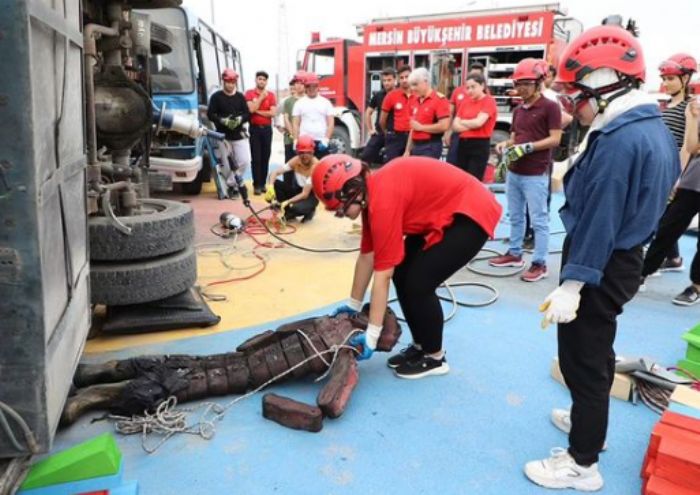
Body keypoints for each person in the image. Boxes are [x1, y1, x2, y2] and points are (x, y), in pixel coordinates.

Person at [524, 25, 679, 491]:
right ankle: (587, 423)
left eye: (576, 94)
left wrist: (573, 283)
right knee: (594, 352)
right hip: (622, 258)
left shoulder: (618, 142)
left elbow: (601, 218)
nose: (574, 105)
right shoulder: (649, 128)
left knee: (584, 358)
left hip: (601, 261)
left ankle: (582, 463)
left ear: (604, 84)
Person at [312, 154, 502, 378]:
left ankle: (435, 357)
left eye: (340, 210)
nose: (341, 216)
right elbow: (367, 257)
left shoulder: (382, 202)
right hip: (444, 211)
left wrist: (372, 334)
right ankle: (421, 345)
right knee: (402, 275)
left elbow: (381, 275)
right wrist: (353, 305)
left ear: (351, 191)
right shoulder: (372, 193)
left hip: (470, 214)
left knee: (419, 283)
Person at [488, 58, 562, 282]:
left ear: (539, 81)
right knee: (516, 216)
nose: (521, 88)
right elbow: (514, 137)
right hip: (515, 172)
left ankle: (539, 263)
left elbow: (556, 138)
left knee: (539, 220)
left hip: (536, 173)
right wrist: (505, 145)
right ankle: (515, 253)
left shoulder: (550, 107)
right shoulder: (518, 110)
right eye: (518, 83)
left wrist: (529, 147)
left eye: (526, 83)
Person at [641, 95, 700, 305]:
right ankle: (642, 273)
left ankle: (696, 286)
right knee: (667, 227)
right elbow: (692, 147)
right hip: (693, 180)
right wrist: (693, 118)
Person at [645, 53, 698, 273]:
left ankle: (649, 264)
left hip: (674, 168)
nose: (666, 83)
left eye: (671, 79)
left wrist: (678, 176)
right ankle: (673, 258)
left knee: (663, 215)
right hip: (659, 165)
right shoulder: (665, 104)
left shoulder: (689, 107)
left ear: (685, 79)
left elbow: (687, 146)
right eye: (664, 79)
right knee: (664, 216)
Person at [206, 68, 251, 196]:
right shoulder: (216, 97)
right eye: (228, 82)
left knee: (244, 160)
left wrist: (240, 119)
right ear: (223, 82)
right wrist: (222, 120)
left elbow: (248, 114)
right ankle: (232, 187)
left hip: (238, 135)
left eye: (232, 82)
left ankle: (231, 183)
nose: (230, 85)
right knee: (226, 164)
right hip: (222, 135)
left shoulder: (240, 97)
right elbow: (210, 114)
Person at [451, 73, 498, 180]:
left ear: (482, 86)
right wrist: (471, 123)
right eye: (467, 88)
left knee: (474, 179)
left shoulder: (489, 101)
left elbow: (479, 123)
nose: (470, 91)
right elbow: (455, 126)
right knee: (461, 178)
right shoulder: (465, 102)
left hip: (479, 144)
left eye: (473, 87)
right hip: (463, 143)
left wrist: (462, 121)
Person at [265, 135, 319, 222]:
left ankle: (310, 211)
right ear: (297, 152)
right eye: (301, 153)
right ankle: (288, 212)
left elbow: (305, 194)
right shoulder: (296, 160)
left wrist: (287, 202)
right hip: (297, 191)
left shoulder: (316, 166)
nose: (304, 156)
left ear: (312, 152)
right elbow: (275, 173)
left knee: (296, 208)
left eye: (307, 152)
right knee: (274, 182)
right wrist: (270, 187)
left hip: (309, 196)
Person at [404, 67, 450, 159]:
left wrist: (421, 127)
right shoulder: (414, 100)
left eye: (415, 85)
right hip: (416, 146)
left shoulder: (439, 100)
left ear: (425, 82)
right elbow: (413, 128)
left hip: (430, 146)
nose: (413, 88)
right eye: (411, 85)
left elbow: (444, 126)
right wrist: (407, 150)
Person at [246, 70, 277, 195]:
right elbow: (251, 109)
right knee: (256, 158)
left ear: (266, 81)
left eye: (264, 79)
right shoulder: (249, 93)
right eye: (260, 79)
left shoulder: (271, 95)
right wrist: (260, 98)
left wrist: (257, 111)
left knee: (265, 157)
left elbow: (273, 113)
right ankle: (256, 185)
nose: (262, 81)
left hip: (267, 130)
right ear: (256, 80)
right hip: (254, 129)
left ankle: (263, 184)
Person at [292, 72, 334, 158]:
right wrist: (295, 140)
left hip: (321, 141)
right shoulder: (299, 103)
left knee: (321, 169)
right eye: (308, 86)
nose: (311, 89)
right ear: (305, 87)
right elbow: (295, 124)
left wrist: (326, 139)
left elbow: (331, 123)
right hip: (304, 142)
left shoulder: (326, 103)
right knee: (305, 170)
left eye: (313, 86)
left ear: (317, 87)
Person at [361, 68, 396, 166]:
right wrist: (370, 130)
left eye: (389, 80)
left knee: (391, 161)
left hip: (395, 134)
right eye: (384, 80)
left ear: (394, 80)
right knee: (365, 156)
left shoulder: (400, 94)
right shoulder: (378, 95)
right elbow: (368, 112)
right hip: (380, 132)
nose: (386, 83)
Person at [380, 65, 412, 161]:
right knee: (393, 167)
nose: (404, 80)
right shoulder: (391, 96)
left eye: (407, 77)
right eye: (401, 78)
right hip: (395, 138)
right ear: (398, 79)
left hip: (413, 137)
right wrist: (388, 133)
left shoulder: (418, 94)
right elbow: (382, 120)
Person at [278, 74, 305, 163]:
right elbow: (284, 119)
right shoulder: (287, 101)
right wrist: (293, 136)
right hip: (289, 139)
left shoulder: (307, 100)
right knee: (289, 164)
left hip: (304, 139)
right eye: (294, 84)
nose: (295, 86)